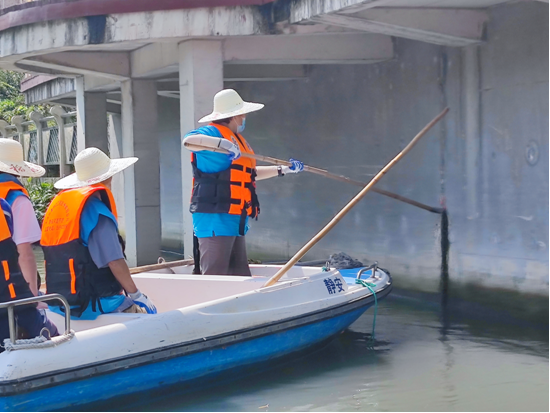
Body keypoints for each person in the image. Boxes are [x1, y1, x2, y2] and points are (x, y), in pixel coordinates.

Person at [182, 89, 304, 276]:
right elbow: (189, 141)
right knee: (215, 275)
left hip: (235, 219)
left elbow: (248, 175)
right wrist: (223, 144)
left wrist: (283, 169)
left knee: (239, 274)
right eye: (242, 114)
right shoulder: (212, 133)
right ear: (234, 116)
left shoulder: (238, 140)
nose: (244, 118)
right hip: (215, 218)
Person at [41, 148, 157, 319]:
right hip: (95, 304)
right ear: (108, 177)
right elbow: (115, 261)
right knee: (148, 314)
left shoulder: (59, 208)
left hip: (60, 305)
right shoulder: (97, 211)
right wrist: (137, 295)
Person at [0, 139, 58, 351]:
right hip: (11, 295)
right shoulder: (16, 199)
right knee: (52, 334)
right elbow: (24, 254)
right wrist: (32, 299)